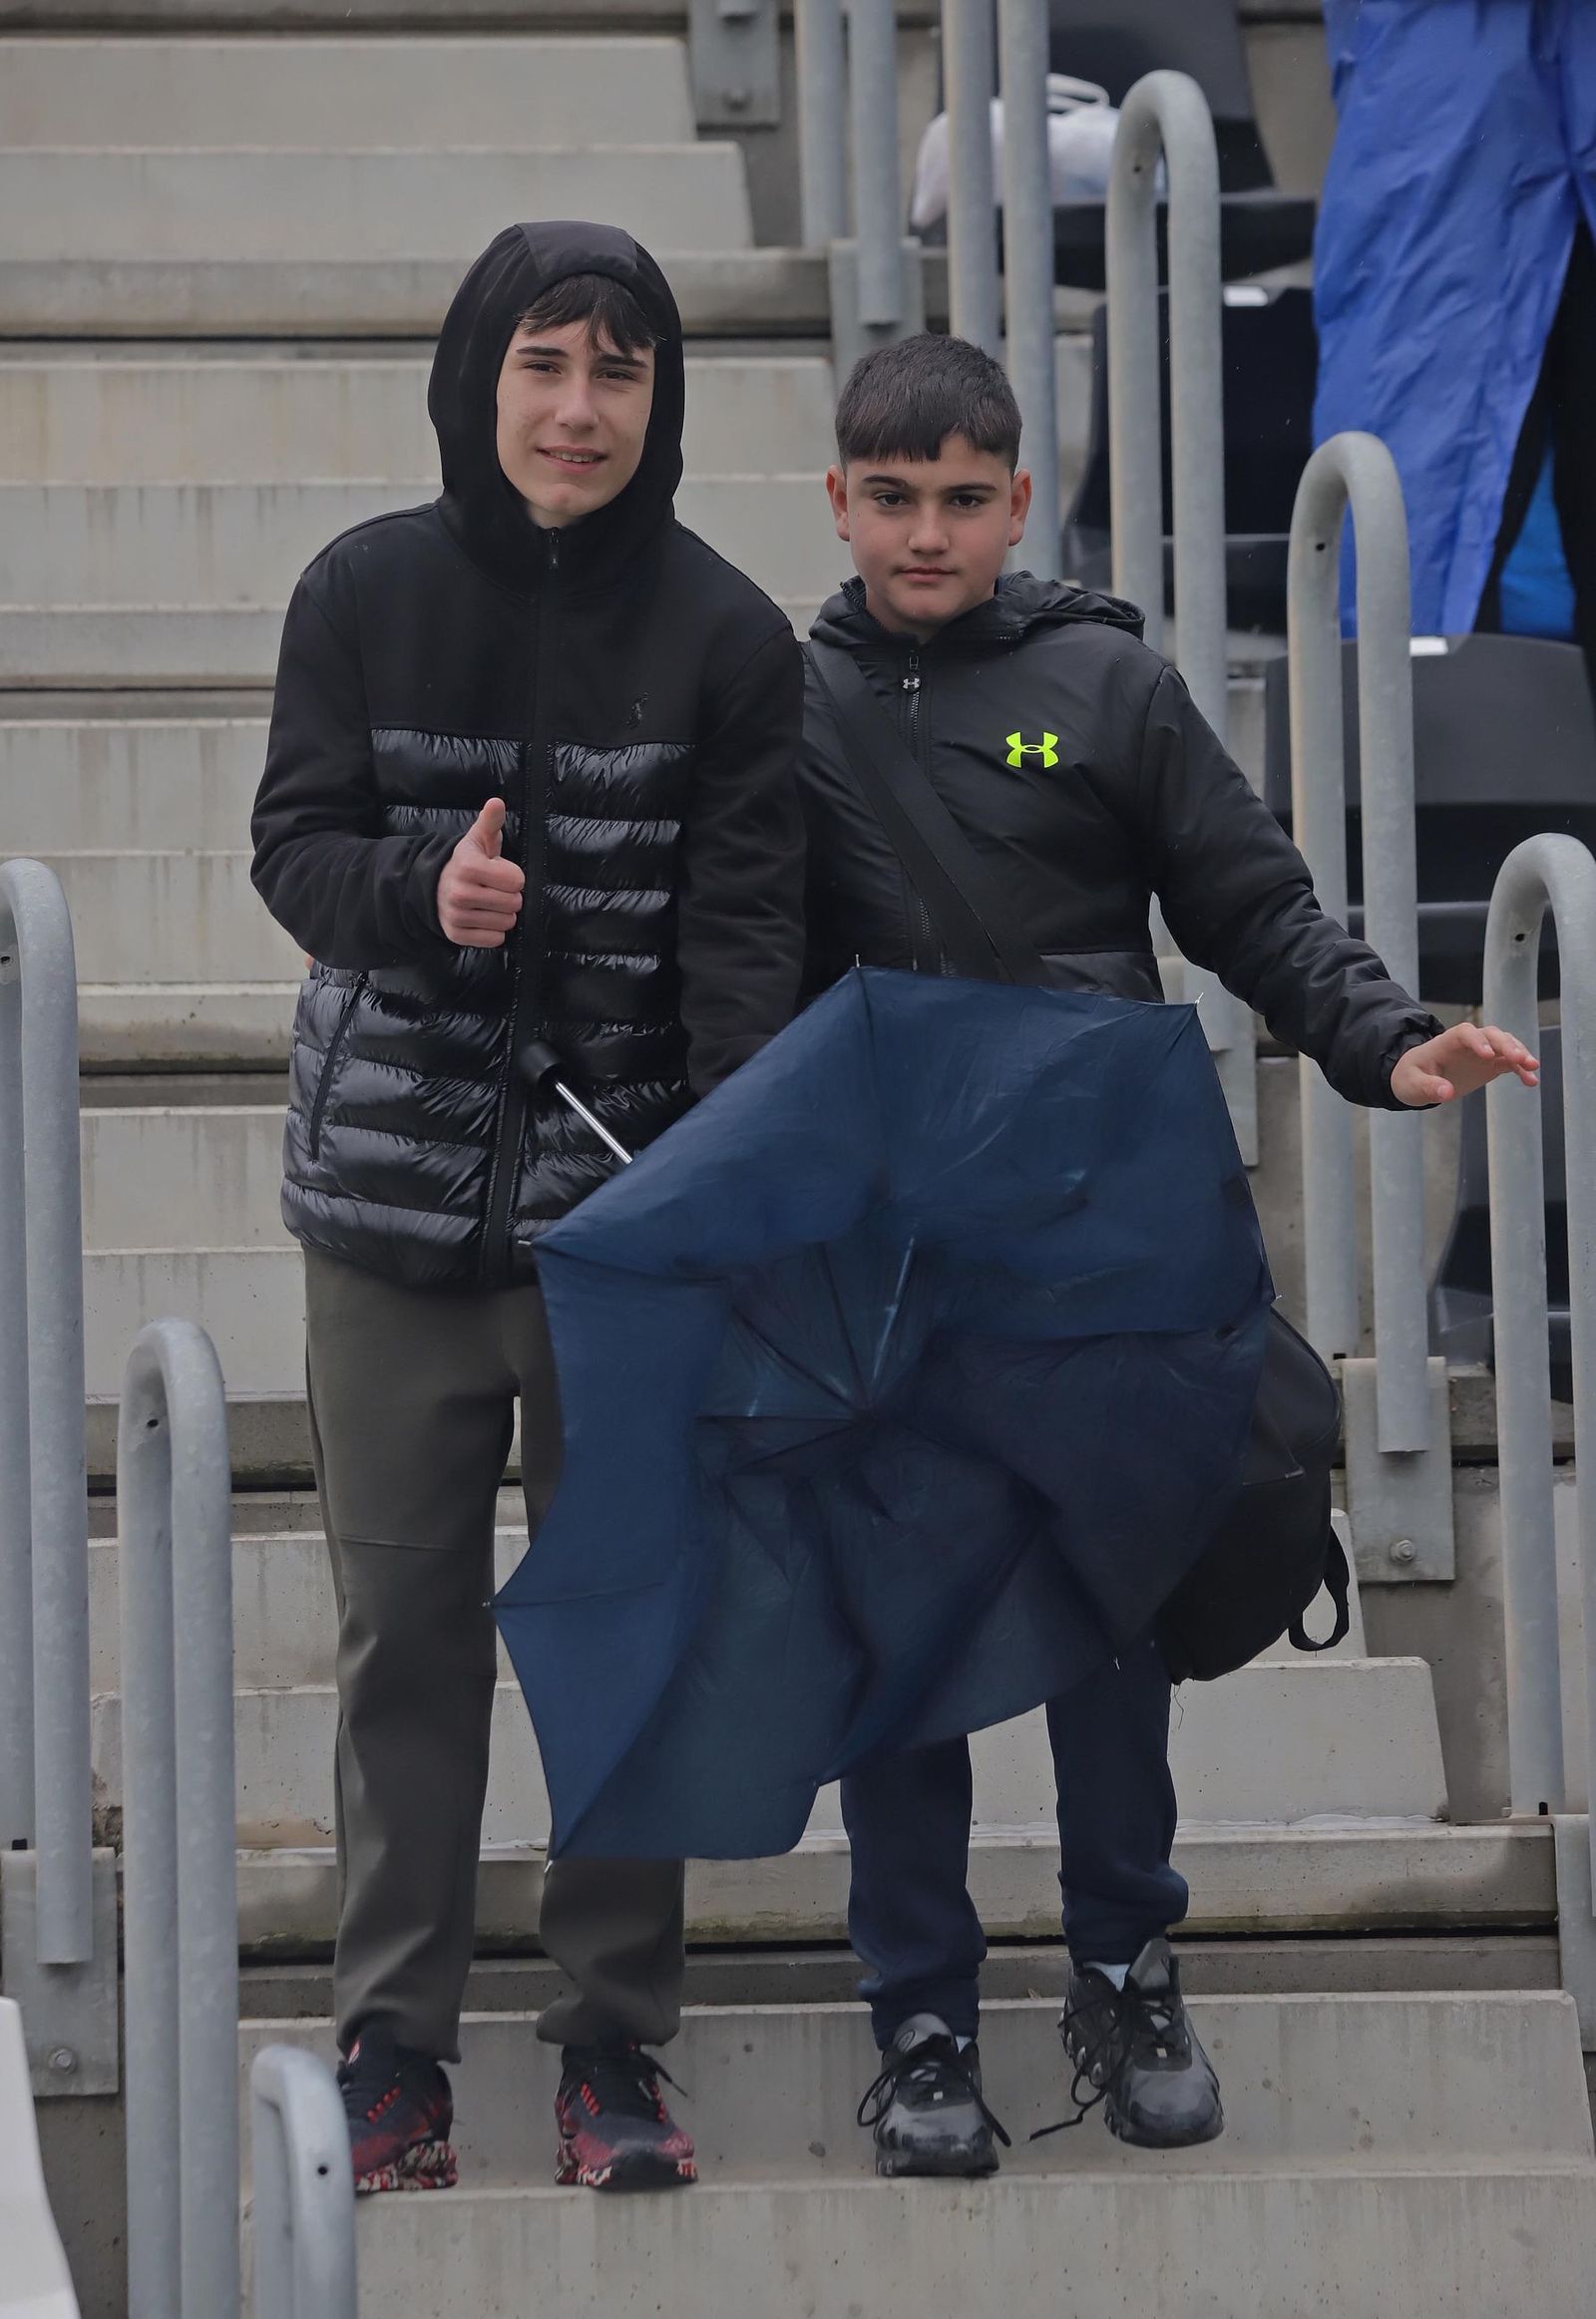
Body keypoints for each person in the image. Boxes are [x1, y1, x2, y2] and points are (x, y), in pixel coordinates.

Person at [796, 332, 1538, 2178]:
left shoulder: (1104, 682)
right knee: (904, 1649)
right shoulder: (780, 703)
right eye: (891, 498)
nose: (926, 533)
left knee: (1109, 1636)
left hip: (1098, 1249)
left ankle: (1128, 1959)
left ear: (1019, 500)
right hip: (884, 1258)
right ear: (837, 499)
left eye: (964, 498)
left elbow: (1256, 906)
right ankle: (921, 2014)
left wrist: (1381, 1040)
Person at [250, 221, 806, 2196]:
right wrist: (424, 897)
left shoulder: (731, 639)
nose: (579, 408)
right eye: (545, 362)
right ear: (480, 372)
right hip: (388, 1222)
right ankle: (392, 2038)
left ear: (662, 402)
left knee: (625, 1639)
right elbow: (295, 845)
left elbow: (746, 943)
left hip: (623, 1234)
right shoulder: (362, 591)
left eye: (621, 371)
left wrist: (721, 1182)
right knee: (404, 1628)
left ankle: (608, 2039)